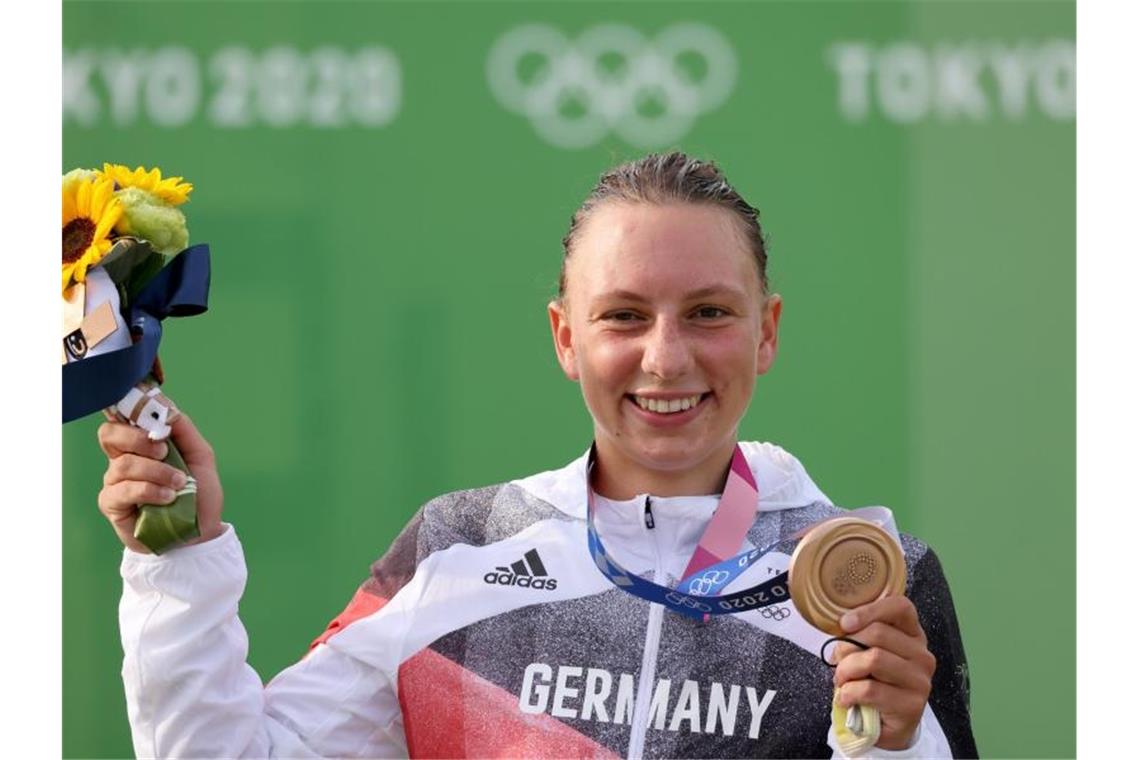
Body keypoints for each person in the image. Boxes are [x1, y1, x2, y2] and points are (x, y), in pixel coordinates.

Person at [97, 152, 977, 758]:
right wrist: (179, 564)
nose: (665, 359)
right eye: (623, 316)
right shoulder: (458, 548)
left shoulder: (875, 582)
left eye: (708, 312)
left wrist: (897, 744)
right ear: (565, 336)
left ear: (766, 331)